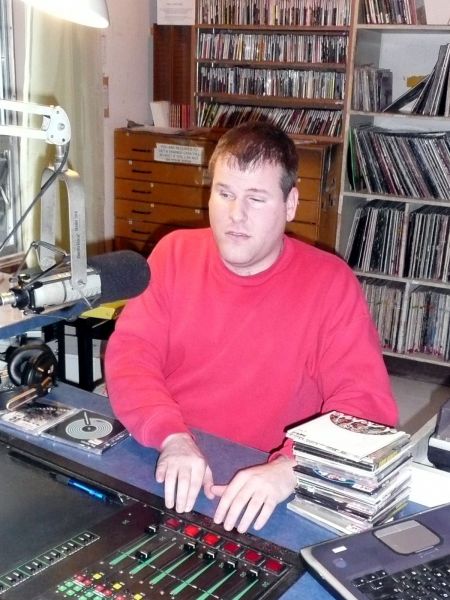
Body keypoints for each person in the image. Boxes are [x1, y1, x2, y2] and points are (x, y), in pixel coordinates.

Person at [105, 121, 398, 534]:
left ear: (290, 204)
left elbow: (365, 407)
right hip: (171, 456)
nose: (234, 215)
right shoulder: (174, 253)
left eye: (256, 199)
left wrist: (289, 467)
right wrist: (171, 436)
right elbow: (131, 356)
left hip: (272, 482)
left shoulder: (330, 282)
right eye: (224, 194)